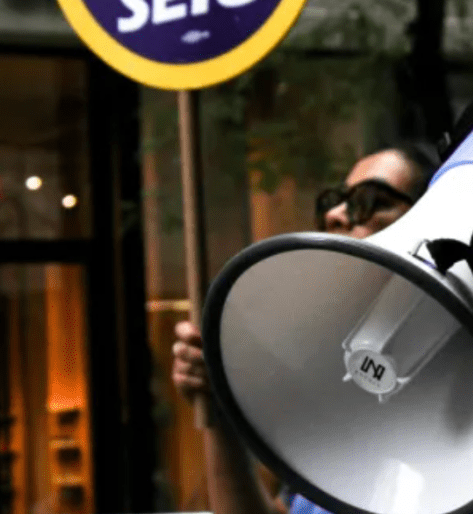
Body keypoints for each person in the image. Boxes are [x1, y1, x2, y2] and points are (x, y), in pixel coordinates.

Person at [171, 144, 448, 514]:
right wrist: (220, 417)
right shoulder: (334, 385)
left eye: (369, 200)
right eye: (333, 201)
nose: (336, 214)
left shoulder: (462, 384)